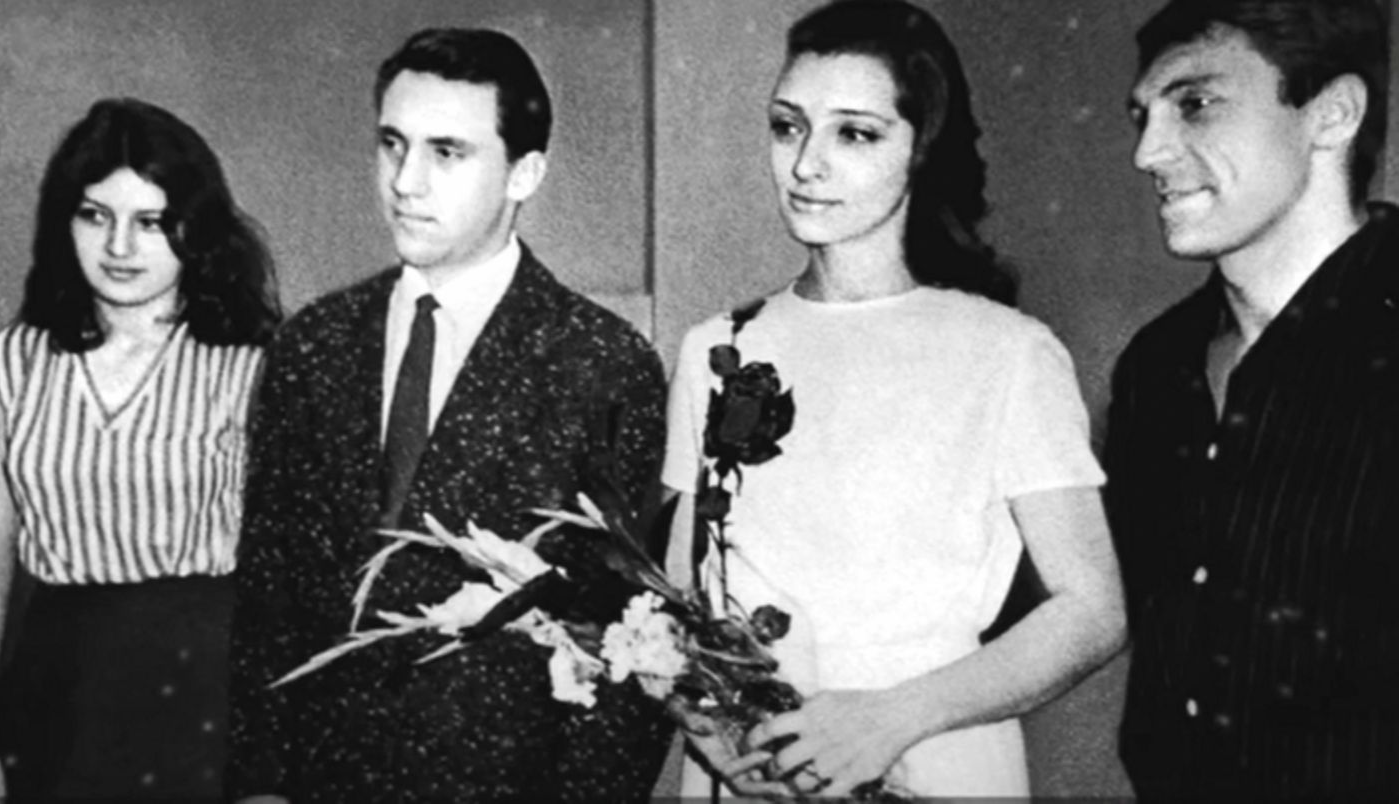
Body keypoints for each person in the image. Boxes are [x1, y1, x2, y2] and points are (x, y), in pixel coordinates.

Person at [662, 0, 1126, 797]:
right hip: (757, 766)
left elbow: (1092, 611)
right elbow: (677, 595)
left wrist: (890, 718)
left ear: (921, 149)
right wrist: (704, 719)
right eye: (788, 127)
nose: (806, 164)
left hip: (932, 756)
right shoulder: (717, 349)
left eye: (855, 134)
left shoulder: (1009, 353)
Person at [225, 27, 672, 802]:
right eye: (392, 145)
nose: (406, 181)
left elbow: (627, 640)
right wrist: (259, 784)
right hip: (322, 779)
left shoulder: (601, 364)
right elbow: (268, 595)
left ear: (524, 173)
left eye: (447, 152)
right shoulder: (313, 344)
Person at [1108, 0, 1398, 798]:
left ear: (1332, 115)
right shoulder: (1156, 367)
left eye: (1196, 103)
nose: (1147, 152)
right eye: (1142, 116)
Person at [0, 97, 280, 799]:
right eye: (95, 215)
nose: (118, 247)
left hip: (198, 687)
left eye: (150, 222)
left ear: (195, 229)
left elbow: (287, 580)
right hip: (54, 684)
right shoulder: (14, 362)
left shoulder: (252, 368)